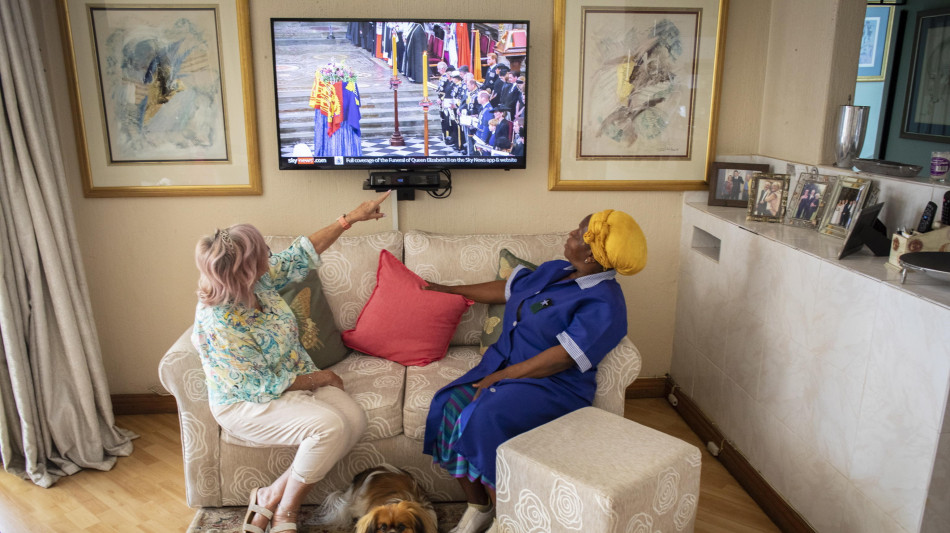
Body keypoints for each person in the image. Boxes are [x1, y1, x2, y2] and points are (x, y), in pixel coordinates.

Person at [422, 210, 648, 533]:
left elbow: (563, 358)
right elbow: (506, 290)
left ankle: (507, 520)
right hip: (506, 367)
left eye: (578, 233)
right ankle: (479, 507)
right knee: (449, 404)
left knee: (483, 417)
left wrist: (505, 375)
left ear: (592, 254)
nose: (570, 233)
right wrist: (448, 290)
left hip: (552, 386)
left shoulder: (605, 302)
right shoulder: (557, 271)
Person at [191, 191, 392, 533]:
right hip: (248, 402)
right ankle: (286, 510)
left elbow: (302, 253)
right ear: (245, 269)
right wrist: (321, 378)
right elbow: (259, 385)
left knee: (354, 421)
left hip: (293, 377)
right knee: (328, 427)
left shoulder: (260, 280)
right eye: (264, 254)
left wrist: (351, 218)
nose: (270, 257)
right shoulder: (220, 322)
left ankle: (268, 495)